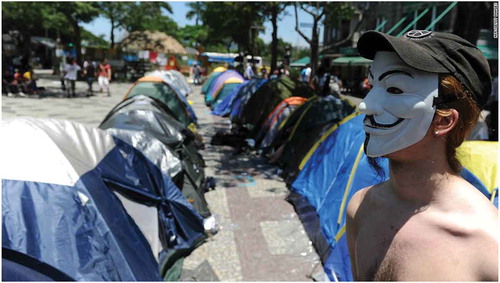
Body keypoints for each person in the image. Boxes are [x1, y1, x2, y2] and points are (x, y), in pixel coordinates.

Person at [346, 30, 498, 281]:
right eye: (373, 86)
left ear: (444, 120)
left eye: (394, 89)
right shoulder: (360, 208)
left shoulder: (488, 246)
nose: (366, 105)